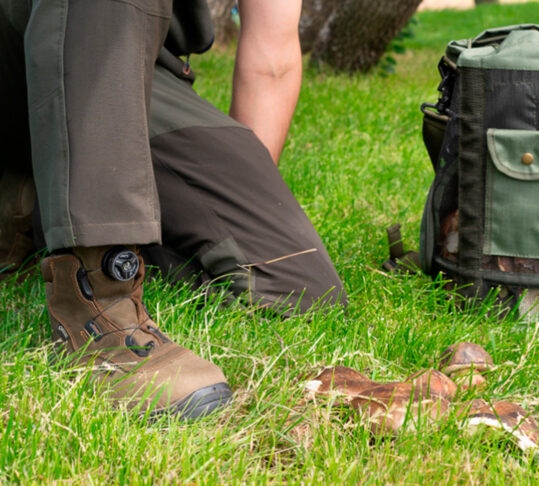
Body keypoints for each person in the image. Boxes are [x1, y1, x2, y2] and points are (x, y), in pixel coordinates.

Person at [0, 0, 345, 420]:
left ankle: (34, 198)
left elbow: (271, 60)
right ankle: (98, 296)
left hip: (122, 63)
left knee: (294, 286)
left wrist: (221, 210)